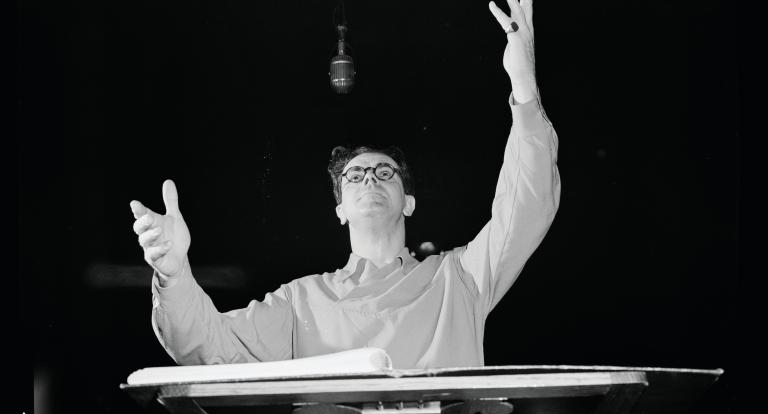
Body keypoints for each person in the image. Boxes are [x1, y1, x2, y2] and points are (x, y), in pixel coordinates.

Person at [129, 0, 560, 369]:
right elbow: (207, 345)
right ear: (340, 208)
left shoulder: (460, 279)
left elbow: (527, 205)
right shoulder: (301, 303)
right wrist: (173, 273)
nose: (370, 177)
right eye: (355, 175)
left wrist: (523, 84)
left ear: (409, 202)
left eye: (385, 172)